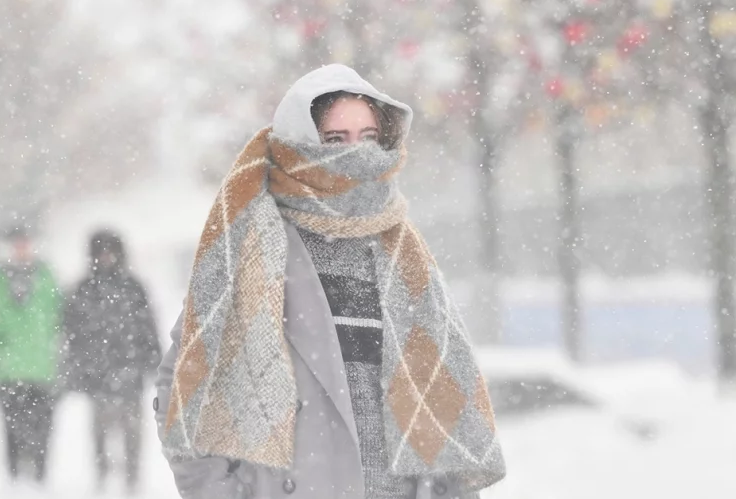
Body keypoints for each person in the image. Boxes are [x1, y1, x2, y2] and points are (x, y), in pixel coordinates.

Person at [155, 64, 506, 499]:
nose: (354, 154)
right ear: (298, 143)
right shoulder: (251, 247)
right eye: (335, 140)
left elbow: (442, 403)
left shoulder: (401, 250)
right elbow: (184, 386)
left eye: (369, 137)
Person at [63, 230, 161, 494]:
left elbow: (148, 326)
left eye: (110, 250)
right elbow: (72, 334)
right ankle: (101, 483)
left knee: (133, 438)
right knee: (99, 436)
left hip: (131, 375)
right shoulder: (83, 289)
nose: (106, 256)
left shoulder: (133, 287)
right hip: (98, 378)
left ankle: (132, 484)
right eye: (101, 251)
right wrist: (76, 370)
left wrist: (153, 361)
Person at [0, 225, 62, 485]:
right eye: (16, 243)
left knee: (42, 427)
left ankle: (40, 477)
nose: (22, 249)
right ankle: (15, 478)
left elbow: (61, 316)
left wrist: (61, 349)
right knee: (12, 426)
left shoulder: (46, 276)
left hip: (42, 367)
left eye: (25, 243)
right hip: (7, 367)